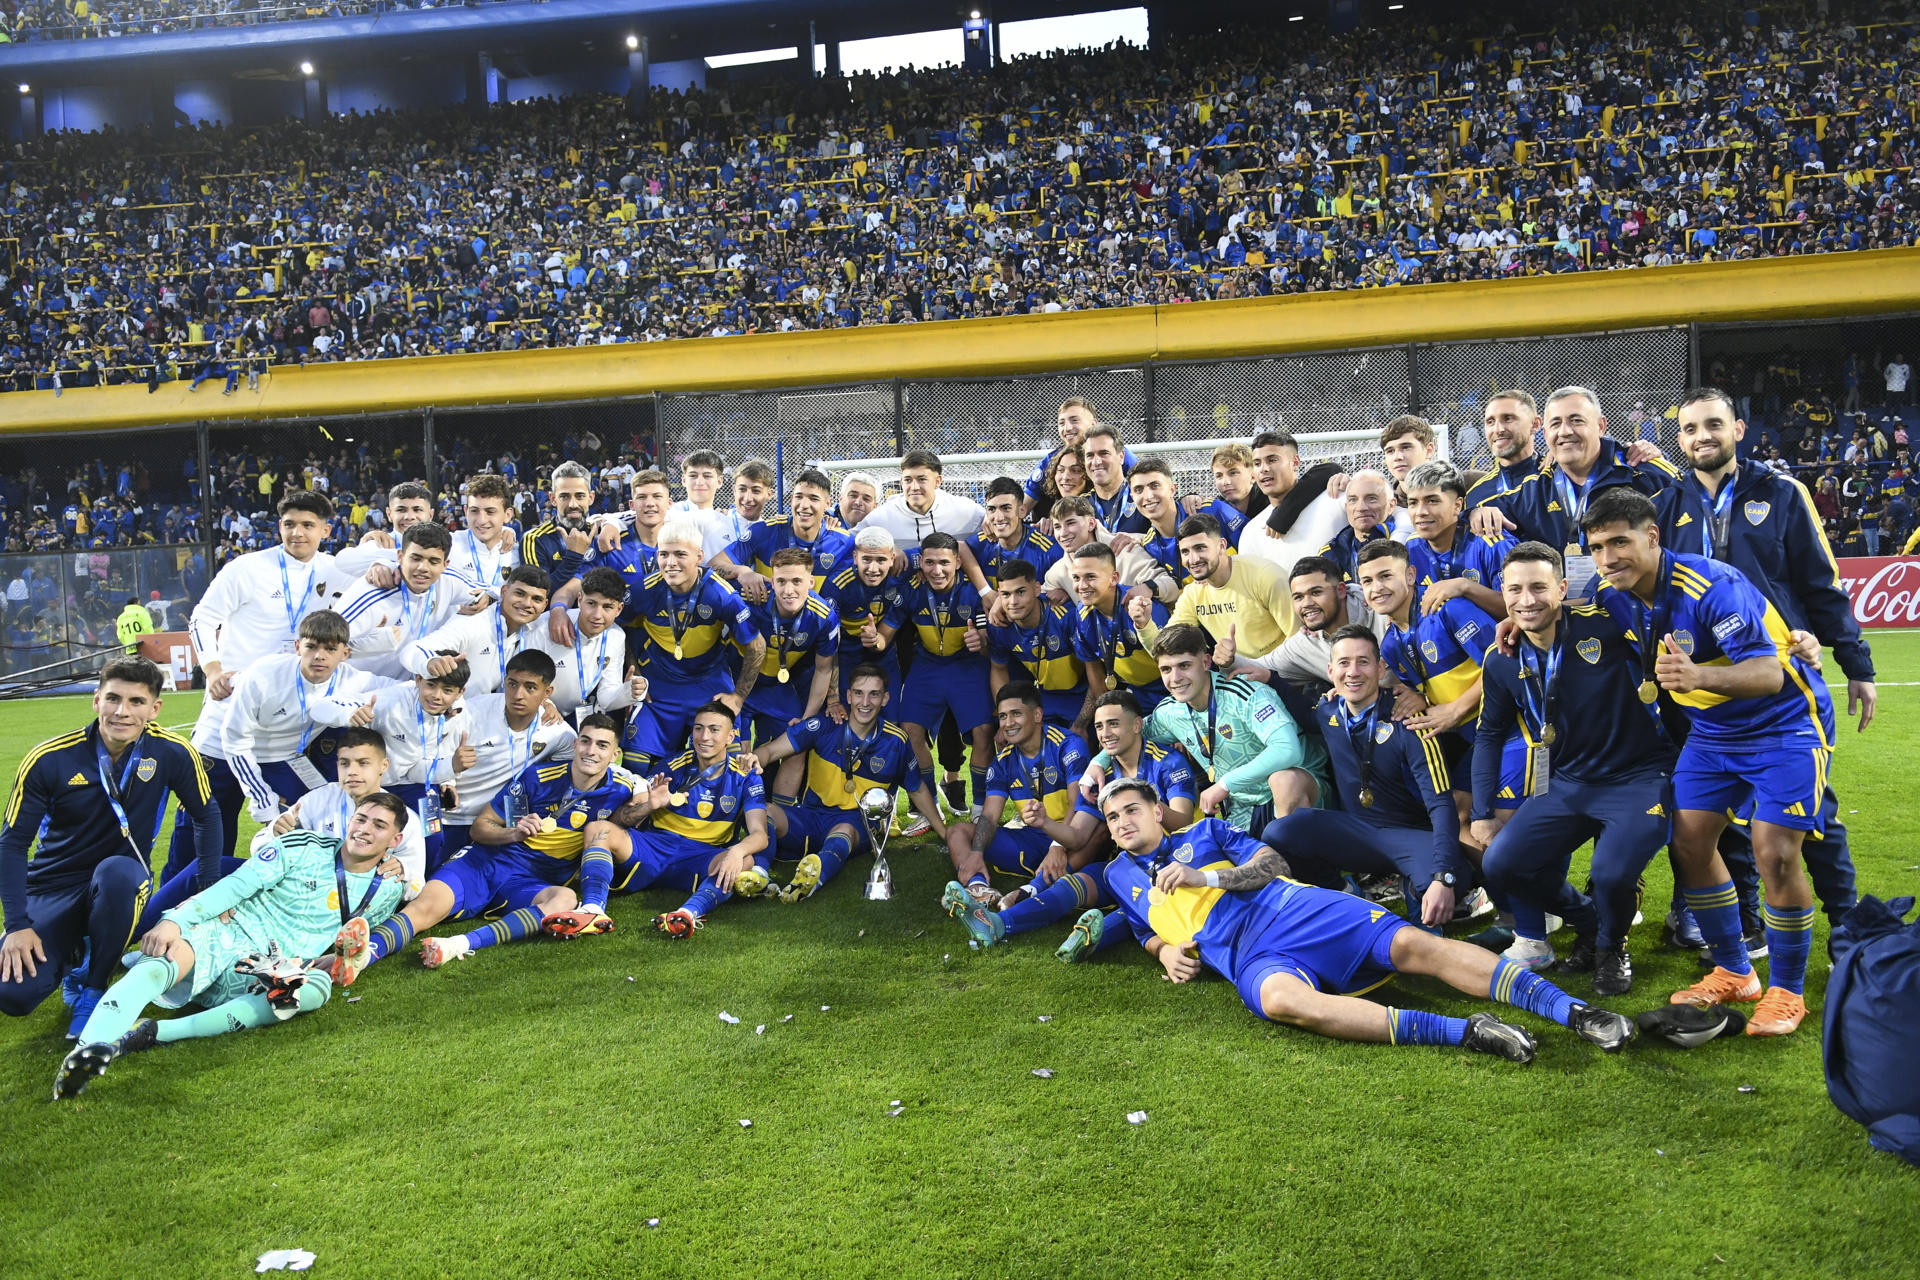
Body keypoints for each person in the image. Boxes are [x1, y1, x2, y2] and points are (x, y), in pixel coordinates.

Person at [1072, 779, 1633, 1060]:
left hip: (1294, 909)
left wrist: (1209, 878)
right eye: (1112, 815)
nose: (1121, 822)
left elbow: (1274, 862)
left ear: (1155, 811)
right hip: (1248, 957)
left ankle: (1574, 1011)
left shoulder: (1204, 834)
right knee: (1281, 1004)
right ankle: (1467, 1033)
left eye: (1131, 810)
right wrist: (1161, 951)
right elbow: (1142, 925)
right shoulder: (1119, 876)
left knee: (1418, 947)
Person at [1582, 488, 1836, 1036]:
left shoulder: (1711, 585)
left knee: (1775, 852)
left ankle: (1788, 990)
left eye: (1620, 542)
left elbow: (1769, 676)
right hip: (1714, 732)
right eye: (1597, 547)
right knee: (1690, 840)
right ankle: (1734, 971)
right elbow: (1556, 613)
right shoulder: (1610, 592)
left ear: (1652, 536)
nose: (1608, 559)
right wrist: (1508, 622)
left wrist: (1700, 676)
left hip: (1786, 724)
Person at [1654, 386, 1873, 932]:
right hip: (1704, 686)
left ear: (1738, 430)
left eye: (1713, 425)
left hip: (1779, 670)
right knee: (1716, 811)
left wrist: (1858, 665)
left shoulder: (1783, 492)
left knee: (1812, 809)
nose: (1702, 437)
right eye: (1690, 429)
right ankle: (1747, 920)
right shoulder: (1667, 503)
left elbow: (1821, 585)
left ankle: (1846, 924)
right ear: (1678, 439)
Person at [53, 799, 411, 1099]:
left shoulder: (389, 889)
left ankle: (148, 1035)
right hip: (231, 932)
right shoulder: (303, 845)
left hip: (278, 967)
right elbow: (236, 885)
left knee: (315, 990)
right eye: (361, 818)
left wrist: (337, 958)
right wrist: (177, 920)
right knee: (165, 958)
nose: (364, 829)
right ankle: (86, 1051)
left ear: (394, 839)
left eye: (378, 825)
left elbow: (358, 939)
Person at [1473, 544, 1677, 992]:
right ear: (1502, 595)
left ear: (1563, 589)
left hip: (1637, 779)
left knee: (1611, 873)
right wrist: (1482, 812)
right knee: (1503, 864)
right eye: (1515, 590)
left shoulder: (1605, 627)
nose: (1527, 600)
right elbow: (1489, 734)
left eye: (1539, 588)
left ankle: (1611, 948)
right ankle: (1588, 922)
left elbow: (1659, 608)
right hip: (1566, 783)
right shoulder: (1501, 658)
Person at [1, 658, 221, 1038]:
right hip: (51, 886)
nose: (122, 711)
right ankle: (74, 953)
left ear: (154, 709)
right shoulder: (50, 758)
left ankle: (94, 987)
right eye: (113, 698)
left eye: (136, 702)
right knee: (14, 996)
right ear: (96, 700)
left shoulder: (172, 752)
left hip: (122, 884)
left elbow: (207, 815)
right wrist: (17, 925)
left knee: (119, 872)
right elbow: (12, 844)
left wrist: (208, 892)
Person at [360, 715, 637, 969]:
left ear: (614, 755)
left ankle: (459, 944)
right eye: (586, 741)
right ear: (575, 744)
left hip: (529, 882)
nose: (591, 751)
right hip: (486, 863)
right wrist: (513, 833)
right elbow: (480, 828)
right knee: (425, 908)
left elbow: (639, 801)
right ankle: (363, 955)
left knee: (564, 899)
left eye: (602, 746)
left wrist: (649, 805)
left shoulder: (621, 786)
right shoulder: (537, 778)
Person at [947, 688, 1196, 950]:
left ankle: (1092, 938)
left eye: (1113, 724)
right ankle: (997, 923)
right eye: (1099, 726)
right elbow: (1077, 835)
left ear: (1137, 725)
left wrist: (1140, 798)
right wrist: (1046, 823)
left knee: (1141, 900)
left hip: (1176, 863)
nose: (1105, 733)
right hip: (1127, 864)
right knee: (1071, 886)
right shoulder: (1102, 776)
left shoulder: (1169, 762)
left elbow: (1184, 825)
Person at [175, 491, 344, 877]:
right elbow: (202, 619)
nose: (297, 533)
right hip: (228, 716)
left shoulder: (337, 571)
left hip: (288, 732)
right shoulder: (246, 569)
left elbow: (392, 566)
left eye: (307, 525)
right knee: (205, 822)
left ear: (326, 529)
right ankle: (177, 904)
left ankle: (301, 895)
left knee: (309, 818)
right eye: (289, 524)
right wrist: (213, 670)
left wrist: (377, 546)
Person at [1261, 624, 1471, 932]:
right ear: (1331, 670)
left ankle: (1417, 892)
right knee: (1280, 832)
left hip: (1410, 837)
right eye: (1344, 663)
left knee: (1449, 881)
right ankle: (1344, 892)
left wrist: (1443, 875)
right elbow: (1306, 714)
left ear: (1380, 667)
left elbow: (1441, 805)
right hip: (1356, 834)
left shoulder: (1410, 721)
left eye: (1363, 662)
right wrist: (1272, 678)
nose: (1353, 672)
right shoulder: (1330, 710)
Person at [749, 663, 950, 901]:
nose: (865, 702)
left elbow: (917, 790)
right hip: (811, 817)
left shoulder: (896, 742)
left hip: (855, 824)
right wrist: (753, 759)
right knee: (767, 812)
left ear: (885, 699)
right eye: (859, 693)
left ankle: (813, 878)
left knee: (843, 832)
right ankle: (758, 874)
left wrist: (945, 834)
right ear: (848, 696)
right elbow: (771, 751)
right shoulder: (824, 725)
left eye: (874, 694)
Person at [1105, 623, 1324, 832]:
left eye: (1184, 665)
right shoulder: (1169, 712)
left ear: (1206, 662)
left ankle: (1303, 866)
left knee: (1285, 781)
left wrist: (1225, 784)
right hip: (1241, 806)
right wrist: (1098, 763)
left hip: (1300, 792)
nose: (1175, 678)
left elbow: (1288, 749)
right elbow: (1128, 732)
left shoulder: (1245, 692)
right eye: (1166, 669)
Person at [1471, 385, 1679, 596]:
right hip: (1569, 616)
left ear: (1600, 426)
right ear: (1546, 433)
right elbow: (1461, 515)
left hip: (1639, 612)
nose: (1565, 431)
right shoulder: (1535, 488)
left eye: (1576, 420)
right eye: (1556, 423)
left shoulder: (1645, 472)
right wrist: (1477, 512)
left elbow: (1696, 497)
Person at [614, 519, 764, 773]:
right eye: (664, 554)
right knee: (635, 766)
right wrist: (632, 667)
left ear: (699, 556)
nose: (670, 562)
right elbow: (618, 627)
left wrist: (738, 697)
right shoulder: (643, 590)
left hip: (708, 686)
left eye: (680, 554)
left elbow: (756, 646)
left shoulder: (721, 594)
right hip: (657, 688)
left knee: (728, 767)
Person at [607, 703, 770, 938]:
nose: (704, 737)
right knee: (599, 829)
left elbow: (759, 834)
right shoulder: (670, 767)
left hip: (701, 856)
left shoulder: (745, 775)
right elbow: (620, 818)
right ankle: (593, 909)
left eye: (714, 730)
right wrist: (649, 806)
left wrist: (736, 851)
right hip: (655, 849)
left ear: (730, 736)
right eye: (698, 729)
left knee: (745, 859)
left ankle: (687, 913)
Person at [874, 532, 993, 817]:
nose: (936, 570)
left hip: (967, 666)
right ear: (921, 563)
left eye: (943, 562)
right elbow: (885, 635)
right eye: (929, 562)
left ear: (958, 562)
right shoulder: (913, 588)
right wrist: (873, 639)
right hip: (927, 666)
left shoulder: (971, 591)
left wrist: (983, 641)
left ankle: (980, 805)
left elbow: (989, 637)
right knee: (910, 731)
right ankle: (930, 805)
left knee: (984, 731)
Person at [219, 610, 375, 828]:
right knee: (218, 823)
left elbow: (399, 691)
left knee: (314, 817)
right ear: (297, 647)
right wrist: (264, 800)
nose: (320, 656)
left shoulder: (352, 679)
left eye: (330, 649)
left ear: (345, 653)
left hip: (290, 756)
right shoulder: (264, 675)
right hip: (231, 749)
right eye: (311, 647)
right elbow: (234, 740)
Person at [943, 684, 1092, 906]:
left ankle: (1034, 888)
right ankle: (979, 890)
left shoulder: (1068, 745)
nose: (1008, 723)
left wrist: (1057, 847)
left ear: (1037, 715)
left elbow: (1077, 803)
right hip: (1031, 839)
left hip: (1071, 837)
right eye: (1003, 716)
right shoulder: (1003, 761)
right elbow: (990, 817)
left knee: (1097, 830)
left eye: (1016, 714)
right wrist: (976, 852)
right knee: (957, 832)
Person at [262, 728, 429, 902]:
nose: (352, 771)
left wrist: (404, 871)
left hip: (362, 905)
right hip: (305, 895)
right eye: (344, 763)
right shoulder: (316, 800)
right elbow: (261, 851)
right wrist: (273, 832)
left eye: (363, 763)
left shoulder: (405, 819)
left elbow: (416, 885)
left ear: (383, 765)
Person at [437, 652, 576, 858]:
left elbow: (587, 765)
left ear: (547, 692)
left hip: (497, 825)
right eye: (512, 684)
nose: (518, 694)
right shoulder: (472, 711)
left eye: (530, 688)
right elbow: (434, 753)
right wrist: (449, 771)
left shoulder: (557, 732)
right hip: (448, 819)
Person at [1223, 555, 1387, 698]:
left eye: (1316, 593)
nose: (1307, 604)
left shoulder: (1382, 613)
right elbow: (1260, 667)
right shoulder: (1305, 642)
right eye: (1298, 597)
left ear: (1341, 591)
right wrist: (1229, 659)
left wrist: (1413, 692)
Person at [1135, 514, 1297, 658]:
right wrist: (1144, 624)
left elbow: (1299, 642)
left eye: (1200, 548)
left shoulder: (1264, 575)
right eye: (1185, 552)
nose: (1193, 559)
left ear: (1221, 546)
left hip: (1285, 675)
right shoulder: (1193, 593)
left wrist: (1261, 670)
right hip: (1239, 679)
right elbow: (1166, 652)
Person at [337, 522, 468, 681]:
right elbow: (317, 645)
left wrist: (485, 598)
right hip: (358, 693)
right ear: (400, 557)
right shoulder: (371, 593)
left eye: (433, 561)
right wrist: (373, 644)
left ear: (445, 565)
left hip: (406, 692)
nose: (423, 567)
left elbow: (489, 591)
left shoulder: (448, 583)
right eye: (415, 558)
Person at [400, 566, 552, 697]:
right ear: (504, 592)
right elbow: (412, 650)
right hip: (447, 716)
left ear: (544, 605)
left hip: (488, 716)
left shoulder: (536, 628)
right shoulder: (473, 623)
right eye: (519, 594)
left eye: (536, 599)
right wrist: (429, 662)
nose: (526, 603)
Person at [742, 548, 841, 747]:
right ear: (772, 581)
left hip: (775, 688)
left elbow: (823, 669)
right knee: (735, 751)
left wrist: (807, 719)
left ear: (811, 582)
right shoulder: (748, 599)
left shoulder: (823, 617)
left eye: (797, 581)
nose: (788, 590)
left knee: (798, 743)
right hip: (737, 684)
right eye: (781, 581)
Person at [987, 560, 1090, 730]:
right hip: (1043, 700)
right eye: (1005, 594)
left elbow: (1096, 675)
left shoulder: (1067, 617)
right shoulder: (999, 625)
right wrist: (1004, 721)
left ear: (1036, 589)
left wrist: (1081, 724)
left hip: (1080, 698)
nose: (1013, 601)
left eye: (1020, 592)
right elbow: (998, 669)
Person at [1403, 461, 1513, 617]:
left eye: (1432, 501)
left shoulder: (1492, 542)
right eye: (1413, 503)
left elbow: (1522, 606)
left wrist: (1465, 587)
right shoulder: (1412, 546)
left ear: (1457, 505)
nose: (1420, 512)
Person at [1070, 541, 1171, 713]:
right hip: (1136, 694)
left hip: (1170, 688)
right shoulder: (1082, 615)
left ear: (1114, 578)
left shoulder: (1142, 607)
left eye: (1091, 577)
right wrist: (1106, 711)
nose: (1082, 585)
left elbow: (1175, 660)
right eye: (1076, 578)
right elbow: (1092, 664)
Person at [821, 527, 908, 714]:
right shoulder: (836, 586)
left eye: (881, 560)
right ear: (855, 557)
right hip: (845, 655)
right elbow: (828, 645)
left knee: (891, 719)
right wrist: (833, 697)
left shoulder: (905, 568)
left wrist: (925, 570)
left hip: (885, 656)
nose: (873, 569)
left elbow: (953, 549)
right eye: (866, 559)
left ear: (893, 558)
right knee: (846, 717)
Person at [530, 566, 637, 717]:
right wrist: (545, 704)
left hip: (576, 715)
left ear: (619, 610)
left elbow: (606, 697)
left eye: (607, 607)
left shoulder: (617, 636)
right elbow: (522, 678)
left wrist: (628, 692)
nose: (597, 615)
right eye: (591, 604)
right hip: (537, 708)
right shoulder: (546, 626)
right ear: (579, 600)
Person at [1040, 496, 1174, 604]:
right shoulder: (1057, 573)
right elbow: (1037, 599)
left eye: (1071, 523)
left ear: (1091, 523)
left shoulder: (1125, 550)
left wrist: (1148, 588)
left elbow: (1170, 585)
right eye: (1057, 526)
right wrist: (1053, 595)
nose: (1062, 533)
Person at [1022, 398, 1138, 520]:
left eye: (1074, 420)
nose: (1067, 428)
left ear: (1093, 424)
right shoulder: (1051, 461)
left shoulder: (1118, 456)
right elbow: (1023, 507)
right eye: (1061, 423)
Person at [855, 450, 985, 554]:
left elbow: (992, 521)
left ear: (938, 481)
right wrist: (886, 546)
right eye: (908, 480)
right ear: (901, 482)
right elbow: (850, 541)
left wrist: (989, 521)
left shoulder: (964, 510)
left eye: (922, 479)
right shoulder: (881, 517)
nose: (914, 487)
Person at [519, 461, 602, 595]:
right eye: (564, 496)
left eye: (580, 496)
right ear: (553, 499)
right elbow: (536, 595)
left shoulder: (603, 532)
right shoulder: (534, 539)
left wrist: (614, 523)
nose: (573, 504)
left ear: (591, 498)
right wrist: (573, 558)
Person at [971, 476, 1062, 585]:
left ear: (1022, 511)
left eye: (1006, 508)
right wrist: (985, 592)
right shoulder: (979, 544)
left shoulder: (1049, 550)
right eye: (992, 509)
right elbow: (960, 549)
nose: (998, 518)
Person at [1465, 390, 1545, 510]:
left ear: (1535, 424)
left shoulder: (1557, 476)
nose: (1498, 429)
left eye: (1508, 419)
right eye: (1490, 422)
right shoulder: (1476, 495)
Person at [1318, 470, 1397, 583]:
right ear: (1346, 507)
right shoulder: (1330, 553)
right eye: (1353, 500)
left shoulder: (1405, 542)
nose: (1361, 507)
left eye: (1371, 498)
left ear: (1391, 505)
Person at [449, 473, 521, 597]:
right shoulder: (449, 545)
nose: (481, 520)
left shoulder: (517, 554)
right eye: (474, 511)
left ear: (507, 515)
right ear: (466, 512)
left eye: (490, 512)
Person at [1081, 423, 1147, 533]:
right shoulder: (1080, 505)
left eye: (1104, 453)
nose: (1096, 462)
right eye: (1090, 455)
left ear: (1121, 457)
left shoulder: (1144, 497)